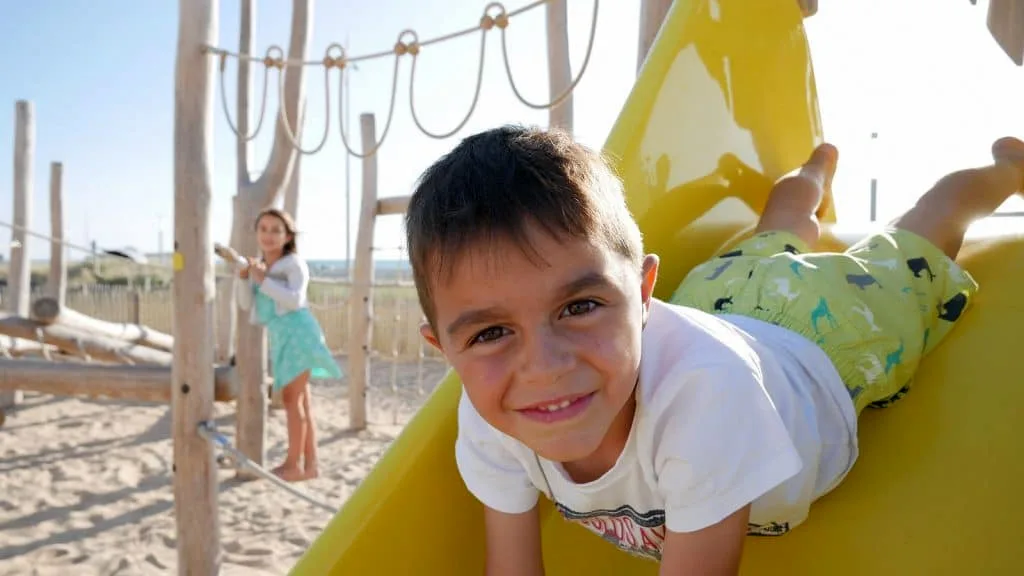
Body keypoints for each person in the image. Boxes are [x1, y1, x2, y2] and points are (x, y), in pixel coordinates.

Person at [403, 125, 1024, 574]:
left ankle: (994, 176)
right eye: (490, 334)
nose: (544, 366)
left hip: (822, 333)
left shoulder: (704, 403)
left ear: (644, 293)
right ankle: (808, 180)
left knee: (915, 244)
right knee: (772, 239)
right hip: (720, 303)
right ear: (445, 349)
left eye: (579, 306)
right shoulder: (491, 416)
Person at [236, 207, 342, 483]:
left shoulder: (293, 264)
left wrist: (261, 279)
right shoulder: (262, 266)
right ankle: (310, 466)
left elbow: (294, 300)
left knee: (290, 400)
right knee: (301, 402)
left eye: (276, 230)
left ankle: (293, 464)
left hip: (299, 335)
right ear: (256, 233)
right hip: (282, 338)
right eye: (264, 229)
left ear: (287, 236)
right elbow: (247, 306)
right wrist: (244, 279)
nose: (269, 235)